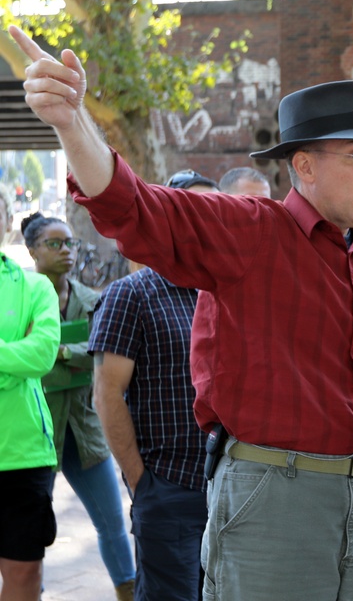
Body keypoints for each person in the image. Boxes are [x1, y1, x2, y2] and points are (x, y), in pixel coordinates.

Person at [10, 25, 353, 601]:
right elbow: (133, 207)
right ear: (305, 168)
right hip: (273, 497)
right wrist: (71, 121)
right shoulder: (251, 229)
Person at [90, 172, 218, 601]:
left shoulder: (229, 294)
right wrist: (141, 482)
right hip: (169, 489)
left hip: (237, 486)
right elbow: (107, 395)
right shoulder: (132, 295)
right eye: (195, 211)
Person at [23, 212, 136, 601]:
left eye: (70, 243)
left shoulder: (93, 299)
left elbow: (104, 354)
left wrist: (56, 353)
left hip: (85, 432)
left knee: (113, 523)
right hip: (36, 433)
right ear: (32, 250)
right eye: (54, 244)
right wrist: (68, 355)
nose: (66, 251)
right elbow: (25, 361)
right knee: (29, 530)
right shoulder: (19, 300)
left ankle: (129, 591)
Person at [0, 188, 60, 601]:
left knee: (23, 575)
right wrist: (10, 359)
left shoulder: (36, 288)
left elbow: (41, 355)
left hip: (24, 454)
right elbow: (24, 357)